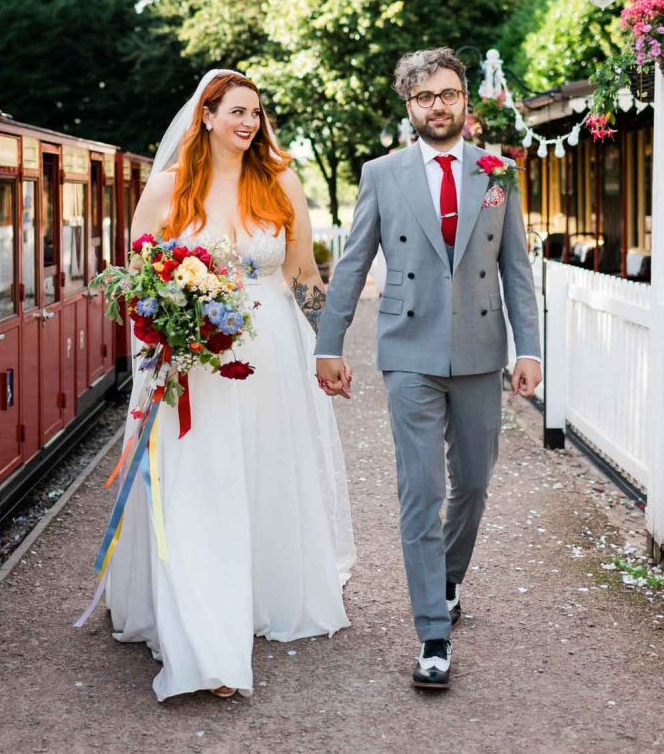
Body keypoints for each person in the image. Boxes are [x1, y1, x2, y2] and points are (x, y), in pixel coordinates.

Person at [105, 70, 356, 701]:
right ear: (208, 116)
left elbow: (302, 275)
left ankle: (258, 596)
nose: (250, 122)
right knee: (202, 486)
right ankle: (207, 640)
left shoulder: (280, 182)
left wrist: (329, 348)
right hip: (194, 367)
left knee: (263, 478)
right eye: (238, 111)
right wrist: (164, 336)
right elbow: (136, 281)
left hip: (272, 359)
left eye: (257, 112)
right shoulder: (166, 191)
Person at [315, 48, 542, 690]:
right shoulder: (381, 174)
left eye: (446, 94)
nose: (436, 106)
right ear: (409, 106)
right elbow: (354, 263)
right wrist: (328, 343)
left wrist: (529, 348)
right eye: (423, 98)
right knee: (422, 489)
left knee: (472, 479)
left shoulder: (499, 171)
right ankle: (432, 634)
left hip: (479, 350)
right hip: (408, 348)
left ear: (464, 100)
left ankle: (447, 575)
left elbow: (515, 269)